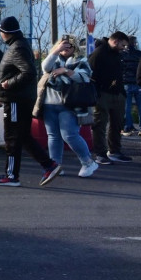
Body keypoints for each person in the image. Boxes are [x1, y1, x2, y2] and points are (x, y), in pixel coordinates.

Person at [0, 16, 59, 187]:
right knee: (22, 136)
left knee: (12, 137)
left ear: (4, 32)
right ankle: (48, 165)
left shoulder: (17, 48)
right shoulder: (19, 45)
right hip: (17, 98)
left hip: (16, 99)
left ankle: (12, 175)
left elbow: (28, 72)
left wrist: (7, 84)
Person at [39, 38, 100, 178]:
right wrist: (56, 51)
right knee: (53, 136)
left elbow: (84, 78)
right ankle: (55, 166)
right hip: (50, 103)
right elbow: (45, 67)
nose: (66, 47)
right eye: (62, 45)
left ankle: (88, 162)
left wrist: (65, 71)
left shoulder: (81, 60)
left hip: (70, 104)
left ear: (75, 47)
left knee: (69, 135)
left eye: (69, 45)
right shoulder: (53, 58)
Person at [88, 30, 130, 163]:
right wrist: (97, 92)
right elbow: (90, 73)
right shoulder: (99, 53)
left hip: (117, 93)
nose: (124, 49)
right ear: (115, 41)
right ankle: (100, 153)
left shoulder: (117, 54)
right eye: (122, 45)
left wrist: (121, 92)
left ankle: (114, 150)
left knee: (117, 124)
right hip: (102, 94)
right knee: (100, 124)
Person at [120, 34, 141, 135]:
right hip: (139, 83)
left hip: (126, 83)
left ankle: (128, 127)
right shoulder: (140, 54)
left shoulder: (122, 54)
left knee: (127, 107)